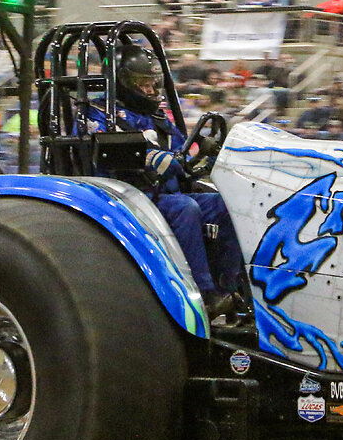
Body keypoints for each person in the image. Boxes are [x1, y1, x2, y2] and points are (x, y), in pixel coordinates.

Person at [84, 45, 244, 316]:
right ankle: (202, 297)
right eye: (142, 84)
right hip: (127, 196)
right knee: (185, 208)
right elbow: (107, 156)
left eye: (151, 83)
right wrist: (149, 158)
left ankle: (228, 287)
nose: (149, 90)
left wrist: (198, 160)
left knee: (226, 204)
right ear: (123, 82)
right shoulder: (99, 115)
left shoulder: (157, 116)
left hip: (165, 193)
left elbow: (181, 152)